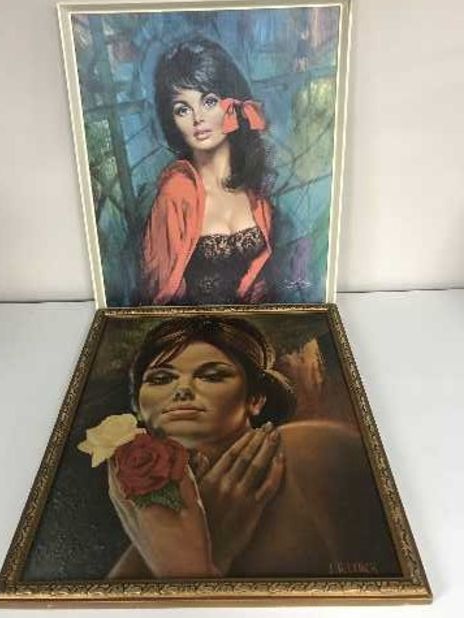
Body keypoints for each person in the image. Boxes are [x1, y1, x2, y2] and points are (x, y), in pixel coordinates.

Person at [108, 316, 401, 578]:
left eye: (212, 376)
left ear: (256, 399)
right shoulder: (142, 488)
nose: (182, 390)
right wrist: (209, 550)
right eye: (161, 379)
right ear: (138, 407)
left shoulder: (311, 449)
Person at [141, 37, 274, 305]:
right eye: (182, 109)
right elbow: (160, 292)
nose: (197, 118)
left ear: (233, 104)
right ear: (172, 119)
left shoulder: (252, 187)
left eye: (209, 101)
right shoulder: (175, 193)